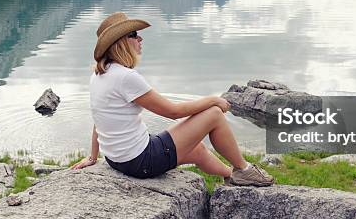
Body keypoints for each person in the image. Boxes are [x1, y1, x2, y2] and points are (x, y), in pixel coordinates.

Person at [70, 12, 273, 187]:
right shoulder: (125, 77)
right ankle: (244, 169)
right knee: (213, 115)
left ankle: (231, 176)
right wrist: (213, 100)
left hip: (118, 160)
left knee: (197, 149)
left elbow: (99, 121)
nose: (140, 39)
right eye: (134, 35)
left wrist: (93, 157)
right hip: (142, 161)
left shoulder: (99, 76)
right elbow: (173, 112)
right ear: (121, 43)